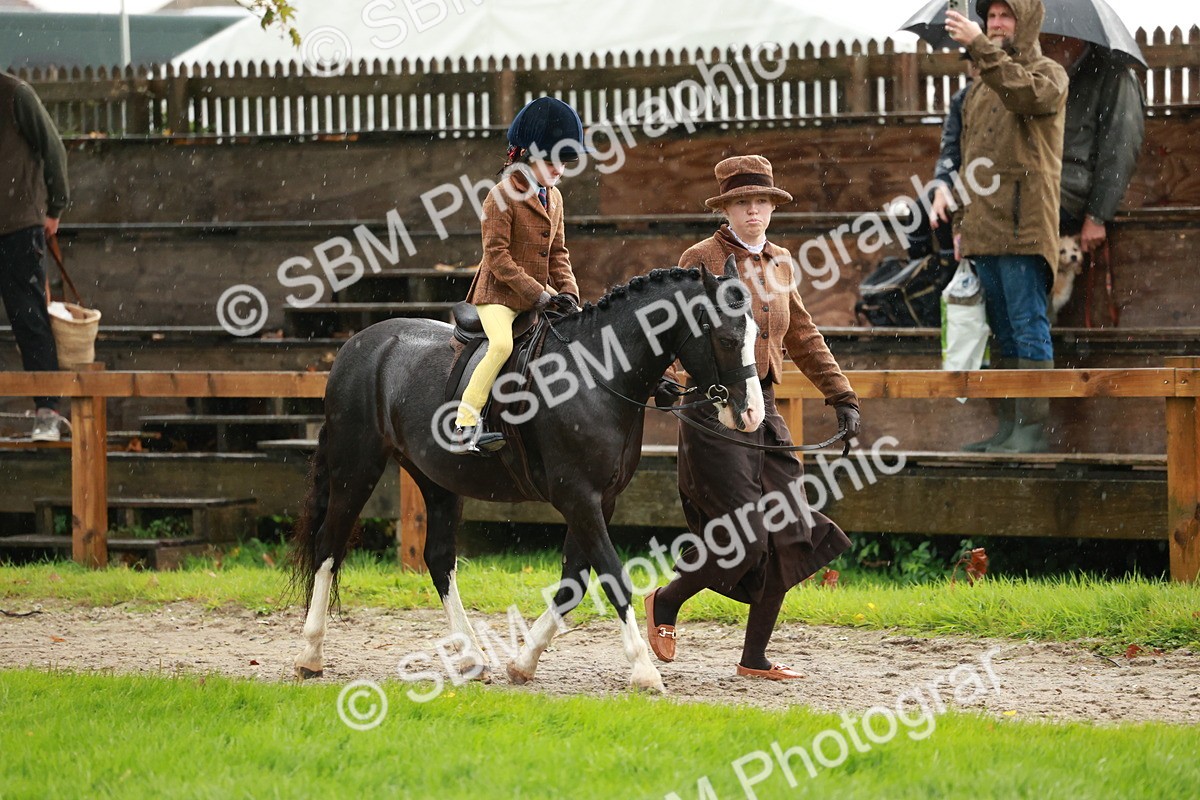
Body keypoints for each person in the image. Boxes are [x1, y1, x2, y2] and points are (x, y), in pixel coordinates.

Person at [645, 155, 861, 681]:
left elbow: (802, 333)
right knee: (745, 534)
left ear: (772, 207)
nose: (753, 212)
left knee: (789, 527)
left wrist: (842, 396)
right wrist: (665, 381)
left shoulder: (782, 262)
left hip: (763, 406)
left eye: (761, 202)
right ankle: (666, 601)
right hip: (713, 408)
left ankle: (754, 658)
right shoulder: (701, 258)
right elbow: (672, 329)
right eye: (742, 203)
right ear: (726, 209)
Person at [945, 0, 1068, 454]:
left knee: (1027, 326)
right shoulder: (979, 88)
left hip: (1024, 227)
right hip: (984, 230)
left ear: (1026, 21)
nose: (995, 24)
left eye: (1006, 16)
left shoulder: (1048, 75)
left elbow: (1022, 93)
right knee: (1000, 331)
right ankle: (1008, 428)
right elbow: (969, 162)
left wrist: (980, 46)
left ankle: (1030, 431)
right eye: (990, 17)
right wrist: (961, 223)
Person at [452, 97, 582, 455]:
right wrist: (538, 295)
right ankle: (464, 424)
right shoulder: (500, 195)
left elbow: (558, 253)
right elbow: (497, 257)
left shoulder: (554, 198)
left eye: (564, 163)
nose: (560, 170)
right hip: (498, 294)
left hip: (541, 291)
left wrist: (569, 292)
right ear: (528, 157)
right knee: (501, 346)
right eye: (552, 162)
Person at [0, 70, 70, 442]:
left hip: (18, 225)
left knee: (29, 318)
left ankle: (48, 413)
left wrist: (55, 206)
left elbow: (52, 147)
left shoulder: (16, 94)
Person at [1040, 34, 1145, 250]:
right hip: (1042, 191)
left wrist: (1097, 215)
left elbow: (1120, 149)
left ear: (1076, 38)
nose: (1043, 45)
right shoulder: (1049, 73)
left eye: (1051, 40)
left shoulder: (1114, 76)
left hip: (1069, 198)